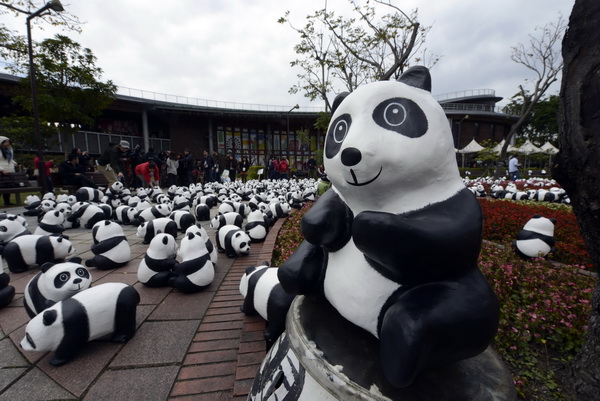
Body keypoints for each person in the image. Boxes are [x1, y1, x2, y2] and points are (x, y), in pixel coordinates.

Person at [0, 136, 17, 205]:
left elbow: (9, 159)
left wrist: (14, 163)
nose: (8, 143)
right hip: (2, 170)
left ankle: (7, 202)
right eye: (6, 142)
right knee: (1, 186)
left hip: (9, 170)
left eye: (8, 142)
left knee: (7, 186)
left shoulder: (9, 149)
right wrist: (1, 169)